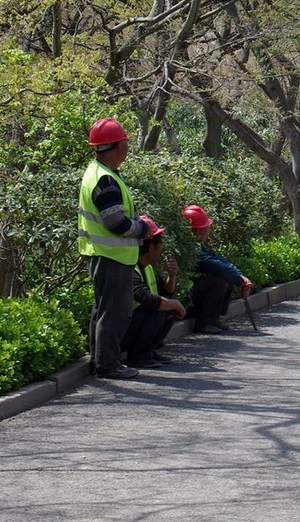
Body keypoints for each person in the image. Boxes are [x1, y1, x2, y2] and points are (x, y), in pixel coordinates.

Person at [78, 117, 147, 380]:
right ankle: (108, 364)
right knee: (115, 312)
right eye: (125, 143)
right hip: (110, 255)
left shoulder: (99, 173)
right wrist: (142, 228)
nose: (127, 149)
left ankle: (101, 360)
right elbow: (116, 223)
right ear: (117, 146)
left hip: (103, 254)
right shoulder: (105, 180)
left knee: (103, 309)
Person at [122, 216, 186, 368]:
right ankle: (138, 355)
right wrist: (174, 304)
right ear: (151, 247)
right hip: (121, 331)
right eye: (160, 244)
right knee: (157, 309)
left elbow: (167, 292)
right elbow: (146, 298)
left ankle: (149, 350)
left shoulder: (148, 268)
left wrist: (172, 276)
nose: (162, 248)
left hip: (133, 324)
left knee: (168, 305)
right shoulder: (130, 268)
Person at [183, 204, 254, 333]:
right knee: (219, 281)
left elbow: (220, 261)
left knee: (226, 277)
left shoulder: (197, 246)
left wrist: (239, 277)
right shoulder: (190, 250)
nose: (208, 230)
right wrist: (240, 279)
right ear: (198, 230)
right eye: (206, 227)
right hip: (184, 300)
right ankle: (204, 323)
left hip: (191, 296)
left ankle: (215, 318)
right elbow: (216, 266)